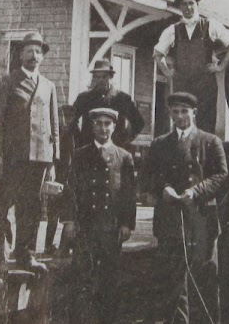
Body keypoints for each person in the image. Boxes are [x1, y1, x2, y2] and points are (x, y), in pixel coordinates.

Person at [145, 92, 229, 324]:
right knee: (173, 278)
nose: (180, 116)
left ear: (194, 112)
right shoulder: (160, 143)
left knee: (202, 276)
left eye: (184, 111)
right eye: (175, 112)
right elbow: (148, 176)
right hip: (170, 218)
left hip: (200, 218)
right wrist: (163, 189)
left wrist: (196, 191)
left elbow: (221, 175)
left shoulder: (210, 141)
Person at [0, 32, 61, 274]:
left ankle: (26, 254)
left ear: (43, 57)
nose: (34, 56)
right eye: (29, 51)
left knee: (31, 207)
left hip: (39, 156)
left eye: (38, 51)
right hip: (13, 155)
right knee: (4, 205)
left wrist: (52, 160)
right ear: (21, 54)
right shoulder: (8, 82)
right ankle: (0, 255)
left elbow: (54, 124)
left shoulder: (49, 86)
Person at [60, 107, 138, 324]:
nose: (103, 128)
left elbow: (129, 195)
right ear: (92, 126)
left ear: (114, 127)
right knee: (82, 281)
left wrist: (126, 224)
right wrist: (69, 221)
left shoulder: (124, 158)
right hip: (86, 229)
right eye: (98, 124)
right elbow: (71, 189)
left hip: (111, 230)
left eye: (107, 124)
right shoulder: (80, 155)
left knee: (110, 283)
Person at [154, 0, 229, 133]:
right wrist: (166, 72)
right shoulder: (173, 30)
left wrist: (221, 67)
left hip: (205, 85)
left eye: (191, 3)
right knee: (182, 125)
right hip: (182, 85)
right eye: (184, 4)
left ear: (197, 5)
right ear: (180, 7)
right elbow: (157, 53)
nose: (188, 7)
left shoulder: (210, 25)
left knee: (206, 125)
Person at [72, 59, 146, 149]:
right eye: (97, 77)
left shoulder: (122, 98)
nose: (100, 80)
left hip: (113, 149)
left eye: (104, 77)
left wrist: (122, 140)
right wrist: (80, 139)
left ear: (111, 77)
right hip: (89, 149)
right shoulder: (84, 98)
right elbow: (71, 119)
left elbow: (138, 122)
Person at [43, 104, 77, 258]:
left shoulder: (74, 133)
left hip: (69, 179)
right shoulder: (58, 134)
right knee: (53, 215)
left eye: (69, 117)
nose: (66, 120)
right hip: (59, 177)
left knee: (67, 215)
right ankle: (48, 245)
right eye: (64, 117)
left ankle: (66, 245)